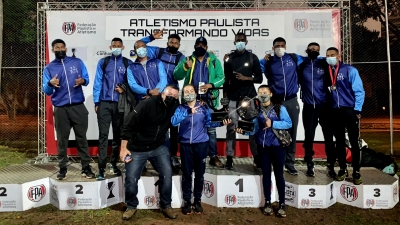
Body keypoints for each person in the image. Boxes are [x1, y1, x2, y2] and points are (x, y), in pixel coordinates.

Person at [120, 85, 180, 221]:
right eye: (170, 94)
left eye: (175, 96)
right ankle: (131, 206)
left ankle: (166, 205)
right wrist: (123, 148)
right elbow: (128, 124)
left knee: (167, 173)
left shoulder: (175, 105)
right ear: (162, 93)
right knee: (131, 178)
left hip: (158, 147)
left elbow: (177, 123)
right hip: (136, 148)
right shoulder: (147, 104)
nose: (172, 97)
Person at [171, 84, 231, 215]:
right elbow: (174, 122)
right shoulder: (181, 108)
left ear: (195, 92)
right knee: (187, 174)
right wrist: (187, 112)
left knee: (199, 174)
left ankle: (197, 201)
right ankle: (187, 201)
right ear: (183, 94)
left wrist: (221, 123)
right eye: (186, 91)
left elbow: (210, 123)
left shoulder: (203, 107)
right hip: (186, 144)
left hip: (201, 144)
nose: (189, 93)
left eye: (191, 91)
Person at [42, 39, 95, 180]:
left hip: (78, 107)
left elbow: (87, 78)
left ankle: (86, 168)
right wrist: (50, 83)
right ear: (53, 50)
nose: (60, 49)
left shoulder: (77, 62)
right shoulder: (48, 68)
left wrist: (82, 81)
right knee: (62, 140)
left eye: (62, 47)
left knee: (82, 139)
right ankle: (62, 169)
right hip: (60, 109)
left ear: (65, 48)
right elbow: (46, 90)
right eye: (56, 48)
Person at [236, 85, 291, 217]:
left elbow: (288, 123)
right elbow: (254, 129)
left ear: (271, 94)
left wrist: (273, 124)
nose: (262, 95)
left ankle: (282, 204)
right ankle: (267, 202)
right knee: (266, 175)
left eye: (265, 92)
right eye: (260, 93)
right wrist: (243, 132)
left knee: (279, 175)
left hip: (278, 147)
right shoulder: (257, 110)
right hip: (263, 147)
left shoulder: (280, 108)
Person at [174, 37, 225, 168]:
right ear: (194, 46)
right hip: (191, 101)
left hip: (209, 99)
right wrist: (185, 67)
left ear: (206, 47)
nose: (200, 47)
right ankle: (189, 155)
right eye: (198, 44)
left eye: (203, 45)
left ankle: (213, 156)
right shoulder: (187, 60)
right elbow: (176, 75)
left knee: (211, 129)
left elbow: (222, 77)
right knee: (189, 126)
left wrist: (211, 85)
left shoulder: (214, 61)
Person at [140, 29, 185, 171]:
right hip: (158, 96)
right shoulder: (158, 52)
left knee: (174, 128)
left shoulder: (182, 58)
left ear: (179, 45)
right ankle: (158, 155)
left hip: (172, 97)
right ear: (167, 42)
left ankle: (173, 156)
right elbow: (140, 46)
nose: (173, 44)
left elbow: (181, 75)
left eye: (176, 43)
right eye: (171, 41)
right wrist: (151, 37)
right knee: (157, 127)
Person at [259, 37, 304, 175]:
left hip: (291, 100)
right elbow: (256, 67)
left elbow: (312, 60)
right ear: (273, 48)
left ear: (286, 46)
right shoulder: (269, 61)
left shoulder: (293, 58)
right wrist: (263, 59)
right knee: (274, 130)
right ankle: (275, 161)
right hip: (275, 101)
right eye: (277, 46)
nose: (280, 48)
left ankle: (290, 163)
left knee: (292, 131)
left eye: (282, 45)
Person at [93, 37, 133, 180]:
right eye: (113, 45)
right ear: (110, 47)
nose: (116, 47)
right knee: (103, 136)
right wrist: (97, 102)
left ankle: (114, 164)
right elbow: (97, 82)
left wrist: (124, 89)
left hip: (120, 105)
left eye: (118, 45)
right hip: (104, 103)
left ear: (123, 47)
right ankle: (101, 168)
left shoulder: (128, 63)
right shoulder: (104, 62)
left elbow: (132, 83)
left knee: (117, 136)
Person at [325, 47, 365, 185]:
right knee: (340, 142)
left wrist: (357, 110)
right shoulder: (327, 70)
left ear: (338, 56)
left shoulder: (350, 70)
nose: (330, 57)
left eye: (332, 55)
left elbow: (359, 91)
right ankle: (343, 169)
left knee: (354, 142)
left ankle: (356, 171)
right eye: (327, 55)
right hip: (335, 111)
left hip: (349, 110)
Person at [223, 32, 263, 170]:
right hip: (233, 99)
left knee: (252, 129)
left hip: (250, 98)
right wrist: (225, 100)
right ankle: (229, 157)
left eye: (242, 40)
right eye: (237, 40)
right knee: (230, 129)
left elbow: (259, 78)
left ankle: (256, 157)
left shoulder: (253, 57)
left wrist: (247, 78)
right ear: (234, 42)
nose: (240, 42)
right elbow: (226, 81)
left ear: (246, 41)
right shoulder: (229, 58)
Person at [297, 42, 335, 177]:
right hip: (309, 107)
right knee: (309, 137)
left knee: (328, 136)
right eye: (312, 49)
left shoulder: (324, 63)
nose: (315, 51)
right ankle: (309, 163)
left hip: (325, 106)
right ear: (307, 50)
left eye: (317, 50)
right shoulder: (301, 65)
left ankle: (330, 165)